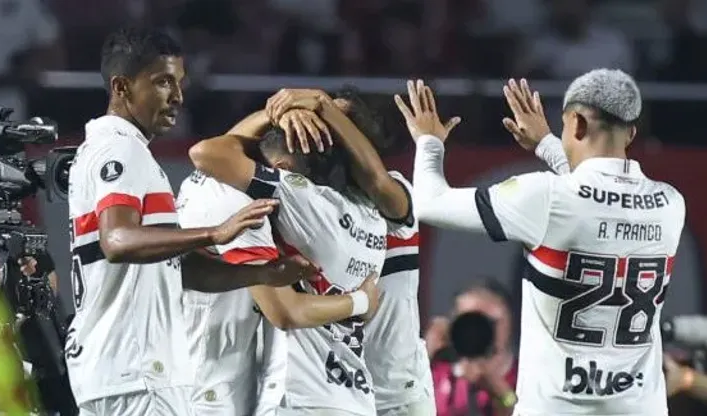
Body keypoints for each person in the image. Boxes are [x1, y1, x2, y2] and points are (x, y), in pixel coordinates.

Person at [396, 73, 686, 416]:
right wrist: (547, 143)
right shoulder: (670, 203)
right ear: (632, 133)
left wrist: (429, 141)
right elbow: (596, 199)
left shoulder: (546, 197)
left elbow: (430, 203)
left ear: (576, 123)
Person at [66, 27, 317, 416]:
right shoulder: (121, 147)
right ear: (122, 87)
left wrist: (263, 274)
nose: (178, 97)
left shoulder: (116, 150)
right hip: (137, 371)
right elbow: (116, 240)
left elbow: (179, 268)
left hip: (123, 369)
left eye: (180, 83)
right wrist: (215, 232)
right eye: (163, 82)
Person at [267, 87, 437, 416]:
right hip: (338, 390)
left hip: (398, 393)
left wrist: (320, 102)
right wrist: (282, 115)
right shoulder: (307, 204)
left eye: (338, 123)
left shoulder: (398, 192)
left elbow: (375, 181)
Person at [176, 168, 380, 415]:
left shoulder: (213, 183)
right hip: (207, 390)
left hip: (228, 384)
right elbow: (285, 311)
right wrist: (361, 301)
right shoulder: (233, 199)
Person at [430, 279, 518, 416]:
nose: (478, 332)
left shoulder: (529, 380)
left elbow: (514, 405)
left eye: (490, 323)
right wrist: (423, 355)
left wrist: (496, 388)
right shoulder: (435, 376)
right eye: (469, 322)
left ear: (510, 322)